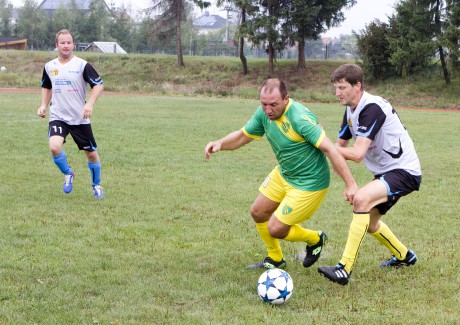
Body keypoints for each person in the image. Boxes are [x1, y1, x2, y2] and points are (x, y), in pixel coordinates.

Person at [204, 78, 357, 270]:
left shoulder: (299, 119)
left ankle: (315, 239)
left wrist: (350, 184)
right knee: (258, 212)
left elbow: (331, 150)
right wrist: (220, 144)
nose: (268, 110)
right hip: (285, 173)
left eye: (273, 105)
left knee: (276, 228)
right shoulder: (264, 114)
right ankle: (275, 259)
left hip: (309, 183)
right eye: (264, 104)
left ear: (286, 99)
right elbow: (244, 135)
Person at [318, 64, 422, 285]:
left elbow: (356, 154)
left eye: (342, 87)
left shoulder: (371, 107)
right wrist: (346, 181)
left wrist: (322, 144)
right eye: (336, 88)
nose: (337, 93)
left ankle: (343, 269)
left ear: (358, 86)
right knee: (371, 223)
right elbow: (339, 148)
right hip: (386, 173)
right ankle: (405, 256)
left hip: (404, 171)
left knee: (362, 199)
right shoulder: (350, 110)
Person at [37, 29, 105, 198]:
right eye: (62, 43)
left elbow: (98, 85)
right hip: (58, 116)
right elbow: (47, 86)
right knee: (54, 147)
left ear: (73, 44)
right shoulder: (49, 66)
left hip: (79, 119)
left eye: (69, 42)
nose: (66, 46)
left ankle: (96, 186)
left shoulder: (82, 65)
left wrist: (89, 104)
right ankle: (68, 173)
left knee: (91, 154)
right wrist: (43, 105)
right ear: (57, 45)